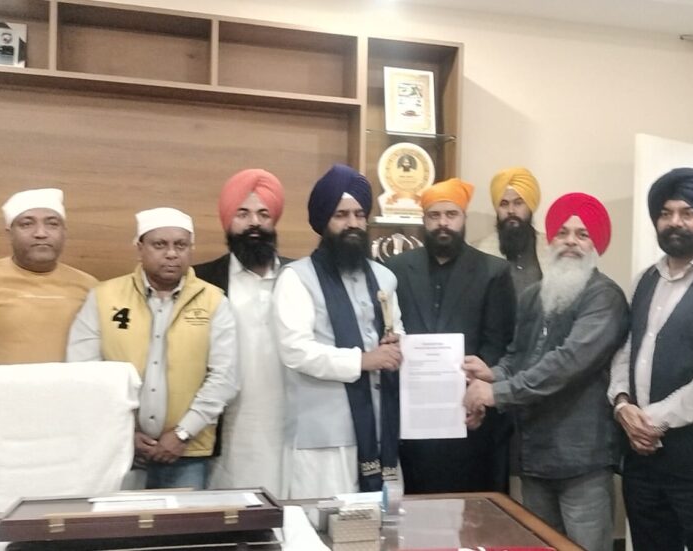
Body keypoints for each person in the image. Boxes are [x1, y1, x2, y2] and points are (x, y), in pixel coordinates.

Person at [464, 192, 629, 551]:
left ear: (596, 244)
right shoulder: (533, 296)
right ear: (551, 240)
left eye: (582, 234)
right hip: (535, 456)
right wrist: (491, 374)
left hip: (582, 460)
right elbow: (517, 357)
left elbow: (566, 363)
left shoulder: (604, 297)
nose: (570, 242)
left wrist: (497, 393)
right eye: (563, 233)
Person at [67, 207, 239, 490]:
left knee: (183, 521)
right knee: (118, 520)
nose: (171, 254)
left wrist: (182, 433)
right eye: (160, 245)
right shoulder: (103, 298)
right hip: (118, 450)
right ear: (140, 248)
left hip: (187, 454)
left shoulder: (214, 302)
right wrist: (125, 434)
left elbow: (225, 378)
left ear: (190, 249)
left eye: (180, 245)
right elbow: (83, 375)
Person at [608, 168, 693, 551]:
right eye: (665, 213)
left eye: (687, 212)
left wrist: (653, 419)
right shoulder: (645, 279)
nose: (674, 221)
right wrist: (622, 404)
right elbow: (626, 349)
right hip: (640, 460)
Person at [272, 164, 404, 498]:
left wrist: (396, 345)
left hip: (380, 431)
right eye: (341, 215)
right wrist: (363, 360)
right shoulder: (297, 278)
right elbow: (295, 350)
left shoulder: (384, 278)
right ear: (323, 222)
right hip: (324, 438)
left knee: (382, 524)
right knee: (324, 523)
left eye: (359, 215)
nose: (353, 224)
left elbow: (397, 335)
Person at [387, 177, 515, 494]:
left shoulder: (493, 271)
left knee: (469, 510)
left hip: (469, 414)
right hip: (412, 416)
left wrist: (479, 393)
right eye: (434, 215)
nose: (443, 223)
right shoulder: (396, 269)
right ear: (424, 220)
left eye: (451, 214)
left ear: (463, 218)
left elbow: (498, 343)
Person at [194, 169, 290, 494]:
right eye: (243, 213)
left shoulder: (300, 276)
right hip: (228, 427)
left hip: (289, 424)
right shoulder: (201, 280)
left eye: (264, 214)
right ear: (227, 220)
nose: (254, 223)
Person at [0, 188, 96, 368]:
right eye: (27, 224)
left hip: (70, 386)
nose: (41, 233)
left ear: (64, 232)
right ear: (10, 233)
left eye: (52, 224)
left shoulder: (89, 287)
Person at [473, 167, 550, 297]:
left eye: (518, 203)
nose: (511, 211)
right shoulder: (479, 251)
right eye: (504, 204)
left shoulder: (550, 248)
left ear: (530, 206)